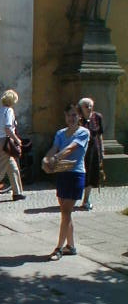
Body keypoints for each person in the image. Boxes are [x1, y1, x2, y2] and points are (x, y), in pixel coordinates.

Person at [43, 103, 89, 261]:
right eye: (69, 115)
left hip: (76, 175)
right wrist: (46, 159)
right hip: (62, 173)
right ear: (65, 117)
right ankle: (71, 246)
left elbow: (71, 148)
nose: (71, 118)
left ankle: (59, 248)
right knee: (65, 212)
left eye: (74, 115)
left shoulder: (84, 132)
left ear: (80, 116)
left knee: (66, 212)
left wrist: (55, 158)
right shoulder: (60, 133)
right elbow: (54, 148)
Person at [78, 96, 104, 210]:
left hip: (94, 150)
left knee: (91, 175)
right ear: (81, 108)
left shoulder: (97, 117)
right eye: (86, 106)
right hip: (81, 151)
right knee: (81, 174)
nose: (89, 108)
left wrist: (102, 150)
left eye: (90, 106)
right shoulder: (78, 119)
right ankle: (72, 198)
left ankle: (86, 199)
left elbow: (100, 135)